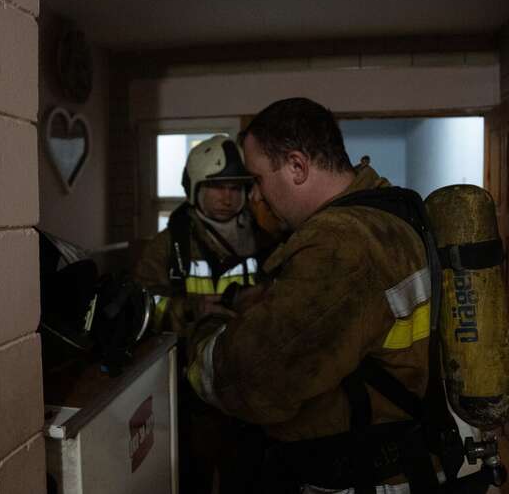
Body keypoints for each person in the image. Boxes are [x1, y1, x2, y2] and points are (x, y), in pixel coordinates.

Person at [186, 98, 434, 493]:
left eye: (258, 180)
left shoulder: (341, 244)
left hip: (359, 478)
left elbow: (255, 378)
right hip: (398, 461)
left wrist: (207, 332)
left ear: (297, 167)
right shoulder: (386, 212)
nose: (255, 197)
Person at [133, 134, 263, 494]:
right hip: (189, 387)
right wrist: (190, 310)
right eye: (216, 186)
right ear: (194, 188)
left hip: (247, 381)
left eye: (235, 188)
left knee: (248, 474)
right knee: (192, 474)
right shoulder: (169, 245)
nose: (227, 197)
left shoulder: (263, 237)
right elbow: (140, 307)